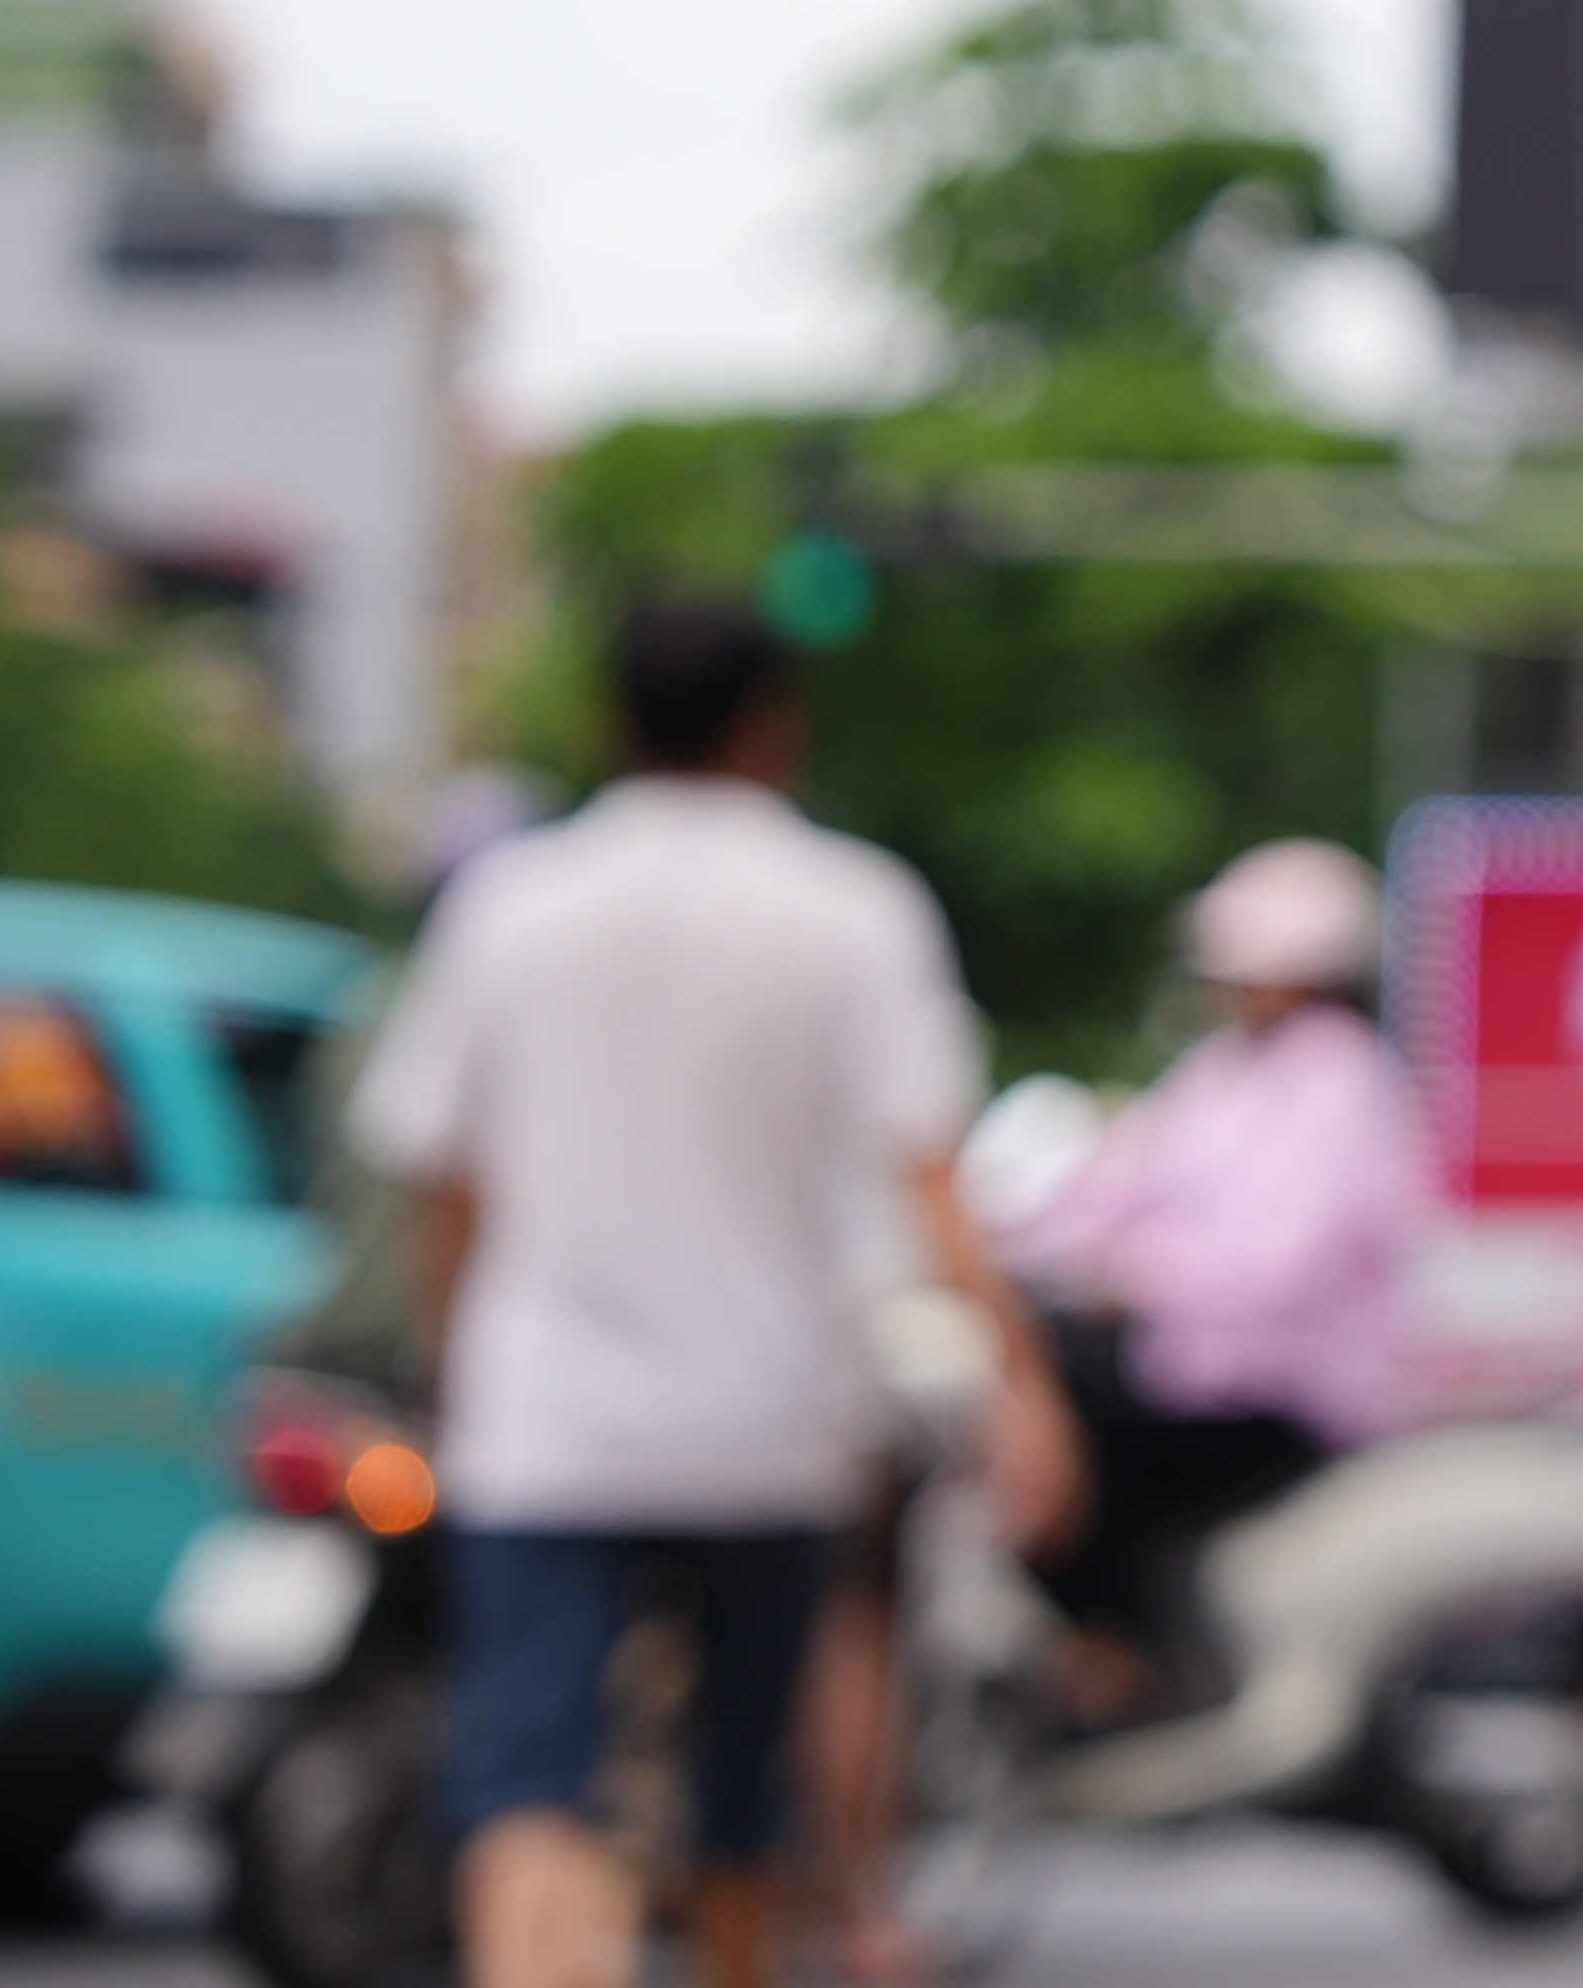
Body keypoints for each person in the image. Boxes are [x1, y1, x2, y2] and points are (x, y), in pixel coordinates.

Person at [352, 600, 1076, 1988]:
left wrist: (456, 1358)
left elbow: (440, 1172)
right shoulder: (854, 908)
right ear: (772, 728)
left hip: (546, 1416)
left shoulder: (511, 905)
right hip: (767, 1420)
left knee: (530, 1776)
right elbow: (932, 1178)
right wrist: (1024, 1383)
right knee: (743, 1789)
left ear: (608, 721)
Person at [996, 835, 1431, 1699]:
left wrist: (1129, 1271)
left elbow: (1281, 1264)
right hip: (1192, 1368)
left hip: (1290, 1390)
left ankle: (1131, 1659)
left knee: (1077, 1414)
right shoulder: (1223, 1071)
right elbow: (1118, 1183)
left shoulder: (1342, 1081)